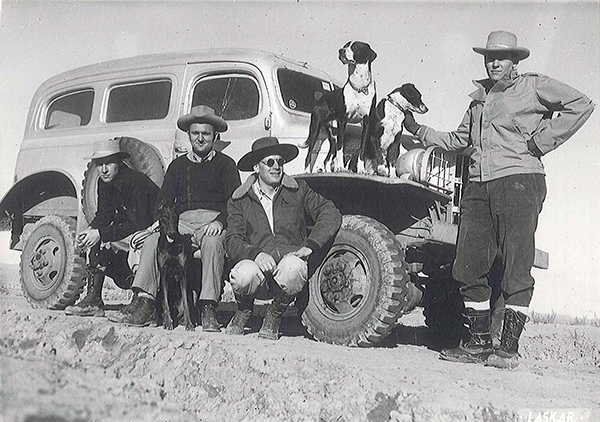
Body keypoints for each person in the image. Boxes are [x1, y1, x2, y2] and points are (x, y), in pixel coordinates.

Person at [403, 30, 594, 368]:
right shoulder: (478, 100)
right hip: (478, 187)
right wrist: (417, 129)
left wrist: (540, 142)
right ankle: (477, 345)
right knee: (467, 264)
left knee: (516, 264)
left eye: (501, 58)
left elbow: (581, 103)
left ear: (515, 61)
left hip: (519, 181)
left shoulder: (532, 86)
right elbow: (457, 139)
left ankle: (507, 350)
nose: (494, 63)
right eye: (489, 57)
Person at [109, 105, 241, 331]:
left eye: (206, 133)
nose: (200, 138)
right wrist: (161, 225)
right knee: (152, 241)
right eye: (196, 133)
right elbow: (164, 201)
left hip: (212, 222)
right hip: (181, 222)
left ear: (215, 136)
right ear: (189, 135)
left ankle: (208, 307)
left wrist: (221, 222)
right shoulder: (177, 166)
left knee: (213, 241)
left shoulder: (226, 165)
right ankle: (145, 301)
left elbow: (235, 202)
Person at [224, 137, 342, 340]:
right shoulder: (239, 200)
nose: (276, 167)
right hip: (258, 272)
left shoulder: (298, 190)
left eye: (280, 162)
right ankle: (244, 310)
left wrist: (310, 245)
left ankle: (275, 313)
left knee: (294, 267)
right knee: (242, 275)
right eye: (269, 162)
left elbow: (330, 212)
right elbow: (232, 240)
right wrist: (256, 254)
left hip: (287, 272)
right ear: (256, 166)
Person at [66, 138, 159, 317]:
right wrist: (91, 230)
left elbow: (139, 223)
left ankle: (139, 303)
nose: (104, 169)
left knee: (136, 243)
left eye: (108, 163)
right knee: (94, 240)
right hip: (134, 228)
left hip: (152, 229)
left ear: (119, 162)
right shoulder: (104, 182)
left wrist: (101, 233)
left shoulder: (135, 181)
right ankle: (93, 300)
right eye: (99, 164)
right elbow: (104, 215)